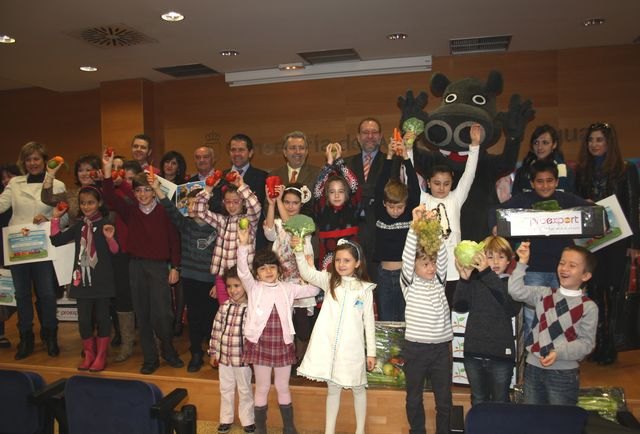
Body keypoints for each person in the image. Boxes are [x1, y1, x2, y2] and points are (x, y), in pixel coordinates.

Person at [490, 160, 591, 344]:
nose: (545, 185)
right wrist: (495, 225)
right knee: (532, 318)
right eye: (540, 181)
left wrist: (598, 219)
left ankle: (562, 353)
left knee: (565, 315)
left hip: (562, 271)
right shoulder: (524, 200)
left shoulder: (566, 199)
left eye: (549, 181)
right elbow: (495, 211)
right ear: (532, 183)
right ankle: (531, 359)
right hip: (534, 269)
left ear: (557, 181)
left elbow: (593, 212)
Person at [102, 152, 183, 375]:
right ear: (134, 193)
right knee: (143, 314)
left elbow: (175, 240)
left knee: (163, 315)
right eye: (138, 190)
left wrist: (175, 267)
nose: (143, 194)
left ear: (154, 190)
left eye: (147, 189)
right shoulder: (130, 211)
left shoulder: (164, 211)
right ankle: (150, 358)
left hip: (159, 267)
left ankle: (167, 349)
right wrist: (108, 170)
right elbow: (109, 196)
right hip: (136, 266)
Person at [237, 227, 319, 434]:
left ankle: (289, 427)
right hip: (260, 344)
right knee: (263, 387)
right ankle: (261, 428)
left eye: (272, 267)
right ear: (257, 273)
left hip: (282, 343)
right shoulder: (253, 287)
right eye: (263, 268)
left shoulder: (287, 288)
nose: (268, 271)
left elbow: (314, 289)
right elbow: (241, 271)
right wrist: (244, 246)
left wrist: (310, 269)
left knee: (283, 386)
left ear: (278, 269)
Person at [294, 238, 376, 434]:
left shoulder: (365, 289)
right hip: (330, 347)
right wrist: (298, 251)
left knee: (358, 388)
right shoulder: (329, 280)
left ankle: (360, 430)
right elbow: (306, 272)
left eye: (347, 260)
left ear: (357, 263)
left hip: (353, 348)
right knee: (333, 390)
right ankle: (329, 431)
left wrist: (371, 352)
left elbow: (369, 323)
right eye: (338, 260)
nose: (341, 264)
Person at [575, 122, 640, 364]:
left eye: (599, 140)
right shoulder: (582, 171)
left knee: (613, 293)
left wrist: (635, 243)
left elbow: (633, 206)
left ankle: (610, 345)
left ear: (609, 143)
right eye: (591, 140)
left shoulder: (626, 169)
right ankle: (596, 343)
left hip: (617, 241)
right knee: (592, 291)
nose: (594, 144)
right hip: (592, 242)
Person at [509, 242, 598, 405]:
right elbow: (516, 291)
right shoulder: (544, 294)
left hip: (563, 373)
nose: (564, 268)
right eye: (562, 263)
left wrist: (559, 352)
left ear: (585, 276)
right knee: (533, 419)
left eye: (572, 265)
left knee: (560, 421)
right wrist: (522, 262)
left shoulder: (588, 306)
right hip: (533, 368)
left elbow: (587, 343)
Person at [0, 142, 66, 360]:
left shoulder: (57, 185)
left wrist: (49, 218)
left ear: (45, 161)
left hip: (43, 246)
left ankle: (50, 335)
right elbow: (1, 205)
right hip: (18, 245)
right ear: (23, 162)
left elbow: (65, 215)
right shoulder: (14, 184)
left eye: (37, 159)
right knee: (21, 294)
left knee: (47, 293)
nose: (33, 163)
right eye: (29, 159)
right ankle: (25, 337)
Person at [152, 177, 219, 372]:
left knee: (212, 318)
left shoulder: (216, 225)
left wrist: (218, 281)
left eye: (195, 203)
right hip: (190, 279)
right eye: (188, 203)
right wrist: (157, 189)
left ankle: (213, 351)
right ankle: (196, 352)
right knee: (195, 317)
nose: (191, 207)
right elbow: (169, 208)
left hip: (210, 280)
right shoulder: (185, 225)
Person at [49, 186, 118, 372]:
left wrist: (110, 238)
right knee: (84, 320)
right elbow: (56, 240)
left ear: (99, 203)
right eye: (83, 203)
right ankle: (89, 354)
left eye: (91, 202)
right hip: (82, 281)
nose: (86, 206)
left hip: (102, 280)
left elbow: (115, 251)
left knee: (103, 318)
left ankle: (102, 355)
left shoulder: (106, 223)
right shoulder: (79, 226)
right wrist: (55, 218)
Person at [453, 236, 521, 405]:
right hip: (473, 352)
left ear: (509, 261)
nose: (495, 261)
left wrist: (486, 273)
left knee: (500, 401)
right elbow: (460, 306)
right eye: (490, 256)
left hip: (500, 355)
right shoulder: (476, 283)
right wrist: (464, 279)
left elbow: (510, 307)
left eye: (501, 256)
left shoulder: (513, 284)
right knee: (478, 399)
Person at [401, 205, 451, 434]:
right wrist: (415, 226)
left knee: (444, 401)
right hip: (416, 348)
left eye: (432, 263)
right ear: (413, 267)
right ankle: (417, 430)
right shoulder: (409, 283)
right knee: (413, 398)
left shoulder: (440, 281)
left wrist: (435, 228)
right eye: (425, 264)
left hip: (441, 348)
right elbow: (407, 253)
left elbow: (441, 255)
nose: (431, 267)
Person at [422, 124, 481, 305]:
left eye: (446, 183)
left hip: (455, 270)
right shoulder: (422, 199)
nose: (441, 188)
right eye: (437, 183)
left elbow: (469, 174)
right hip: (430, 268)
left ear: (452, 183)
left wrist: (475, 145)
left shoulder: (456, 198)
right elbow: (408, 173)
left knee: (455, 313)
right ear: (428, 183)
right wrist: (408, 150)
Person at [263, 182, 315, 364]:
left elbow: (291, 225)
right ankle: (288, 357)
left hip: (300, 279)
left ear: (301, 204)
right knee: (285, 320)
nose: (290, 206)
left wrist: (278, 202)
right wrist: (271, 204)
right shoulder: (278, 222)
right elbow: (269, 233)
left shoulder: (305, 222)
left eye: (295, 202)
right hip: (282, 280)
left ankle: (304, 359)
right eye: (287, 202)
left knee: (301, 323)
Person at [192, 172, 261, 304]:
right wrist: (208, 189)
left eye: (236, 202)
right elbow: (199, 210)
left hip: (242, 276)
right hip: (222, 277)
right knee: (224, 310)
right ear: (223, 202)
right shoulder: (222, 221)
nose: (231, 205)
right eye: (228, 202)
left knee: (243, 312)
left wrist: (241, 186)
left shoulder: (249, 220)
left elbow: (255, 206)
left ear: (243, 203)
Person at [373, 138, 420, 321]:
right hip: (384, 276)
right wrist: (390, 156)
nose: (395, 211)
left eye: (399, 207)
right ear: (384, 203)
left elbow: (414, 188)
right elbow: (379, 187)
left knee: (406, 319)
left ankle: (406, 351)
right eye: (391, 207)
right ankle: (390, 352)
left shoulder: (409, 213)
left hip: (406, 275)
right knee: (386, 320)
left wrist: (406, 158)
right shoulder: (380, 213)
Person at [209, 266, 255, 434]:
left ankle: (248, 420)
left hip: (241, 359)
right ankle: (225, 419)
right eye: (229, 286)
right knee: (226, 388)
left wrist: (252, 355)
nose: (233, 290)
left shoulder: (250, 308)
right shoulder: (224, 307)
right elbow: (216, 330)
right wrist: (213, 352)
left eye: (237, 286)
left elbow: (253, 336)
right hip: (224, 359)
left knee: (245, 389)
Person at [346, 118, 386, 280]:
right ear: (358, 136)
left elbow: (388, 192)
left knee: (378, 283)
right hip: (353, 230)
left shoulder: (391, 162)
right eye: (365, 132)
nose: (370, 136)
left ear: (381, 136)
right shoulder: (347, 163)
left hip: (379, 233)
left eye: (374, 132)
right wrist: (372, 190)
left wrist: (360, 190)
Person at [314, 143, 360, 271]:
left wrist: (340, 161)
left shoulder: (352, 208)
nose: (337, 195)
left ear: (347, 193)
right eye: (332, 192)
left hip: (350, 264)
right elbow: (317, 189)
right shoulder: (322, 209)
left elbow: (355, 185)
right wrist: (328, 163)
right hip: (327, 264)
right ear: (326, 194)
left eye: (340, 191)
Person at [226, 134, 268, 249]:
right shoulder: (219, 178)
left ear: (250, 153)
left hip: (252, 241)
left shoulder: (262, 177)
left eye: (241, 150)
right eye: (233, 150)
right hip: (225, 241)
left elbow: (262, 209)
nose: (236, 154)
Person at [512, 124, 574, 195]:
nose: (539, 147)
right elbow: (515, 198)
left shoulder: (567, 171)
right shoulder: (523, 171)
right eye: (536, 143)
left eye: (545, 143)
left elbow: (571, 200)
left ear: (554, 145)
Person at [269, 131, 321, 215]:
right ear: (285, 152)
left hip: (308, 224)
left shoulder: (318, 173)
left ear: (306, 151)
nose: (298, 152)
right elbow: (268, 204)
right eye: (293, 148)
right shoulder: (274, 175)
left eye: (301, 148)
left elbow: (319, 204)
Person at [0, 163, 21, 349]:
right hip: (1, 250)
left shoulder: (20, 196)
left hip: (19, 250)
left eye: (10, 176)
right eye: (4, 178)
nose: (7, 181)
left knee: (11, 294)